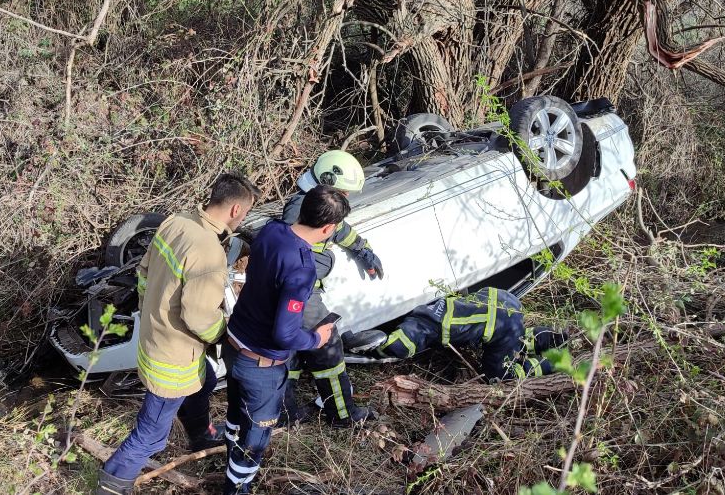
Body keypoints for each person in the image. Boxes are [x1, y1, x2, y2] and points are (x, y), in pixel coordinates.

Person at [96, 173, 259, 495]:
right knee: (152, 434)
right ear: (236, 209)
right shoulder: (209, 253)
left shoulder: (177, 222)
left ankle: (199, 436)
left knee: (206, 381)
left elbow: (143, 272)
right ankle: (111, 485)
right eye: (247, 212)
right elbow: (199, 316)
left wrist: (153, 309)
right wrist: (226, 334)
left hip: (154, 335)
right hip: (174, 353)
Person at [221, 185, 350, 495]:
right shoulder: (302, 268)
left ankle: (229, 465)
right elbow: (285, 333)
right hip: (261, 366)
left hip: (233, 344)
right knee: (255, 439)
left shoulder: (271, 231)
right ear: (328, 228)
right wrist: (316, 338)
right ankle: (236, 489)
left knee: (236, 418)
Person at [280, 150, 384, 427]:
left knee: (289, 354)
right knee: (328, 347)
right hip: (301, 294)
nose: (347, 198)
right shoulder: (297, 210)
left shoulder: (312, 204)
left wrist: (363, 250)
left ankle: (286, 415)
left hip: (297, 293)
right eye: (343, 192)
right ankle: (342, 415)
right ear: (326, 181)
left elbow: (340, 228)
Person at [368, 287, 569, 380]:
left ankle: (548, 363)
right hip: (506, 303)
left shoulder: (422, 327)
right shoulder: (424, 320)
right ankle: (553, 338)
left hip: (502, 307)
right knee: (511, 335)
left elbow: (396, 345)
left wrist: (378, 350)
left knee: (500, 374)